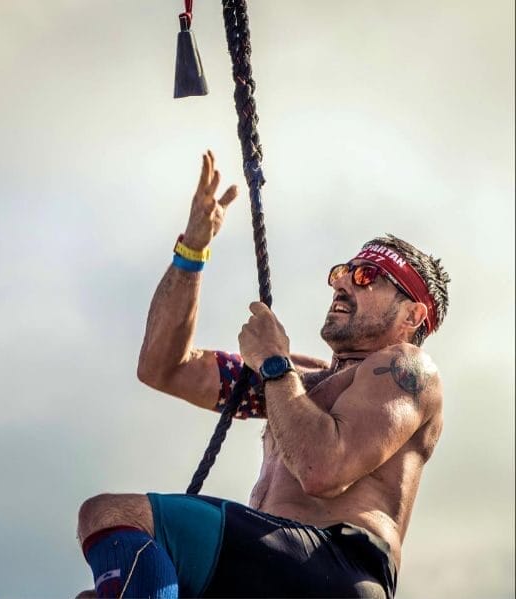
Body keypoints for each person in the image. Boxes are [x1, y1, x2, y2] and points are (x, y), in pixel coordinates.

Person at [76, 151, 450, 598]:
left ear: (413, 314)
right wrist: (192, 250)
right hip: (273, 571)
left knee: (114, 516)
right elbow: (163, 367)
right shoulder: (300, 382)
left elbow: (323, 469)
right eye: (342, 272)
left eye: (367, 276)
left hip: (336, 568)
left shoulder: (408, 370)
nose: (343, 284)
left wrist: (274, 361)